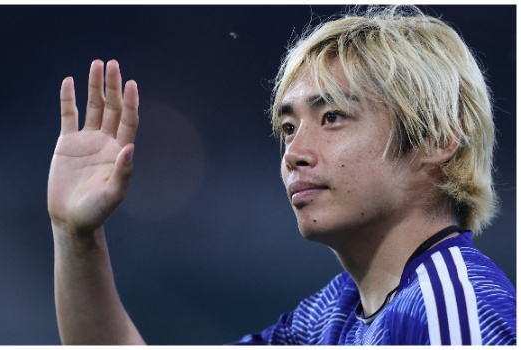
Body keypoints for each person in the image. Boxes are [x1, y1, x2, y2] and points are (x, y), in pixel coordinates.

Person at [47, 5, 516, 345]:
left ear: (436, 141)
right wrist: (75, 237)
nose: (293, 152)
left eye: (332, 117)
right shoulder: (328, 321)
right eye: (288, 128)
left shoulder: (453, 313)